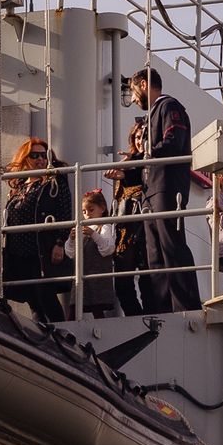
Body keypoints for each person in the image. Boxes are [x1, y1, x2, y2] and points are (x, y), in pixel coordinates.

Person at [128, 67, 201, 313]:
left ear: (143, 84)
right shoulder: (153, 114)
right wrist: (128, 169)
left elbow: (173, 142)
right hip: (151, 191)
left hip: (167, 188)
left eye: (133, 90)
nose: (134, 98)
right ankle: (163, 308)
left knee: (172, 247)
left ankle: (186, 305)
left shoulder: (169, 107)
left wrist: (143, 156)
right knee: (155, 255)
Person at [1, 137, 70, 323]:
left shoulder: (54, 182)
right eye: (34, 155)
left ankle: (62, 334)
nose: (40, 159)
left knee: (45, 295)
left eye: (43, 155)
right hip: (18, 252)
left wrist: (60, 243)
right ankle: (42, 336)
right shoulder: (20, 187)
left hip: (40, 250)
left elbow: (65, 212)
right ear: (25, 159)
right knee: (32, 299)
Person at [104, 117, 148, 316]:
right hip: (124, 229)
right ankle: (136, 318)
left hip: (143, 227)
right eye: (138, 137)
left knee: (148, 279)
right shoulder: (129, 161)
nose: (140, 141)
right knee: (122, 283)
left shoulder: (147, 162)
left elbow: (146, 183)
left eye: (145, 137)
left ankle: (150, 316)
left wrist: (127, 172)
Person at [64, 189, 118, 318]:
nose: (87, 214)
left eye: (91, 210)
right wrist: (71, 239)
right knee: (74, 309)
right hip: (81, 276)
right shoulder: (81, 230)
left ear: (102, 208)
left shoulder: (104, 227)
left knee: (97, 310)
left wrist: (93, 234)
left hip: (97, 278)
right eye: (84, 211)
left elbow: (107, 249)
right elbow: (70, 253)